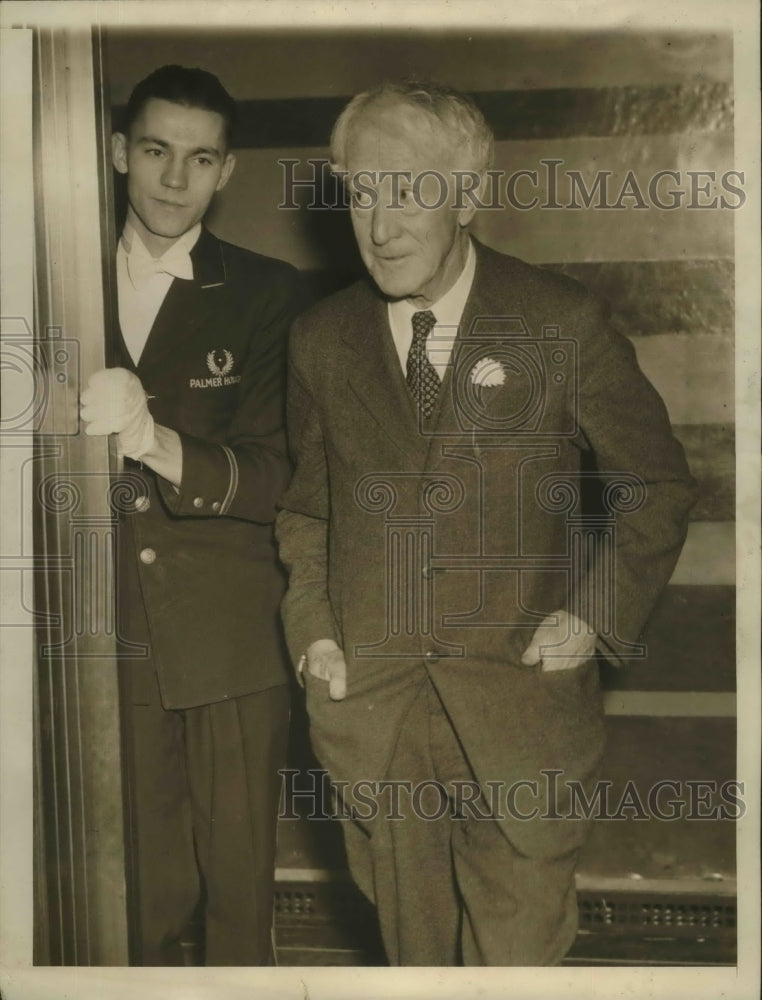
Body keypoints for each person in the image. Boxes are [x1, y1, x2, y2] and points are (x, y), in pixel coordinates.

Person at [275, 79, 698, 966]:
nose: (380, 225)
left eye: (409, 190)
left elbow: (654, 485)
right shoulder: (320, 339)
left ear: (467, 195)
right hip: (378, 724)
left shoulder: (559, 321)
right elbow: (308, 509)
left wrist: (593, 613)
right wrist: (314, 632)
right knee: (411, 963)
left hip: (520, 715)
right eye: (361, 193)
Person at [79, 65, 303, 966]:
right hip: (101, 638)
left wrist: (155, 439)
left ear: (228, 171)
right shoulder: (53, 279)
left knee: (238, 899)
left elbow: (282, 477)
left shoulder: (267, 293)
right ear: (117, 154)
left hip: (229, 637)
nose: (175, 179)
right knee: (134, 896)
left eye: (199, 158)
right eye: (156, 151)